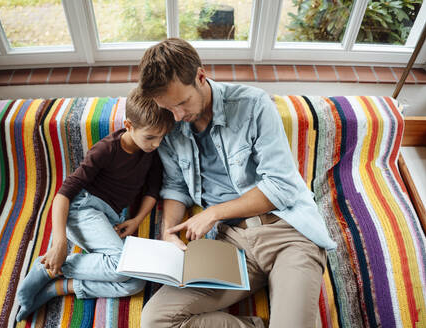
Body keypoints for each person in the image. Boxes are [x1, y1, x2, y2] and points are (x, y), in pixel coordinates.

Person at [138, 38, 337, 328]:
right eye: (168, 108)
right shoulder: (171, 125)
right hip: (231, 244)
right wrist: (168, 233)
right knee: (155, 320)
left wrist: (213, 213)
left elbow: (280, 186)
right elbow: (175, 187)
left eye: (182, 103)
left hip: (288, 234)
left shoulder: (253, 105)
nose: (177, 116)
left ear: (201, 77)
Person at [16, 88, 175, 322]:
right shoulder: (107, 149)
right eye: (150, 137)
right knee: (122, 264)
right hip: (83, 210)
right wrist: (60, 242)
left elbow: (153, 189)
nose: (156, 143)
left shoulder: (150, 151)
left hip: (110, 219)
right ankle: (48, 266)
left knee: (135, 282)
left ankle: (59, 287)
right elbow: (63, 195)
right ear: (129, 125)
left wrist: (136, 220)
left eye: (162, 137)